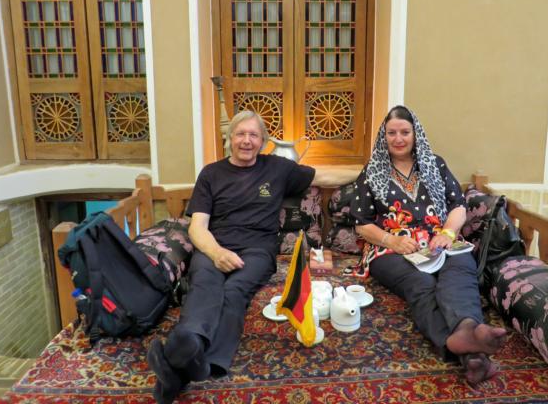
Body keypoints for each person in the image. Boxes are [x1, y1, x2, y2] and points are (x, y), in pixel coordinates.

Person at [148, 110, 357, 403]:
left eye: (253, 135)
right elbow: (197, 227)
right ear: (230, 138)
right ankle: (190, 345)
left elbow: (324, 175)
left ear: (262, 141)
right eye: (240, 134)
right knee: (206, 282)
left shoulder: (278, 168)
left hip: (258, 250)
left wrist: (371, 170)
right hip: (215, 244)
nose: (246, 140)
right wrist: (217, 253)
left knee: (234, 290)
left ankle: (187, 365)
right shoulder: (211, 174)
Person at [350, 105, 506, 385]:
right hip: (391, 248)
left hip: (439, 239)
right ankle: (469, 348)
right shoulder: (372, 171)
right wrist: (392, 240)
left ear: (415, 134)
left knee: (459, 272)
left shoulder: (435, 164)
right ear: (383, 137)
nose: (398, 139)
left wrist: (447, 233)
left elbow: (458, 205)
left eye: (405, 132)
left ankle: (466, 336)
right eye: (392, 133)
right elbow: (361, 223)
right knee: (421, 284)